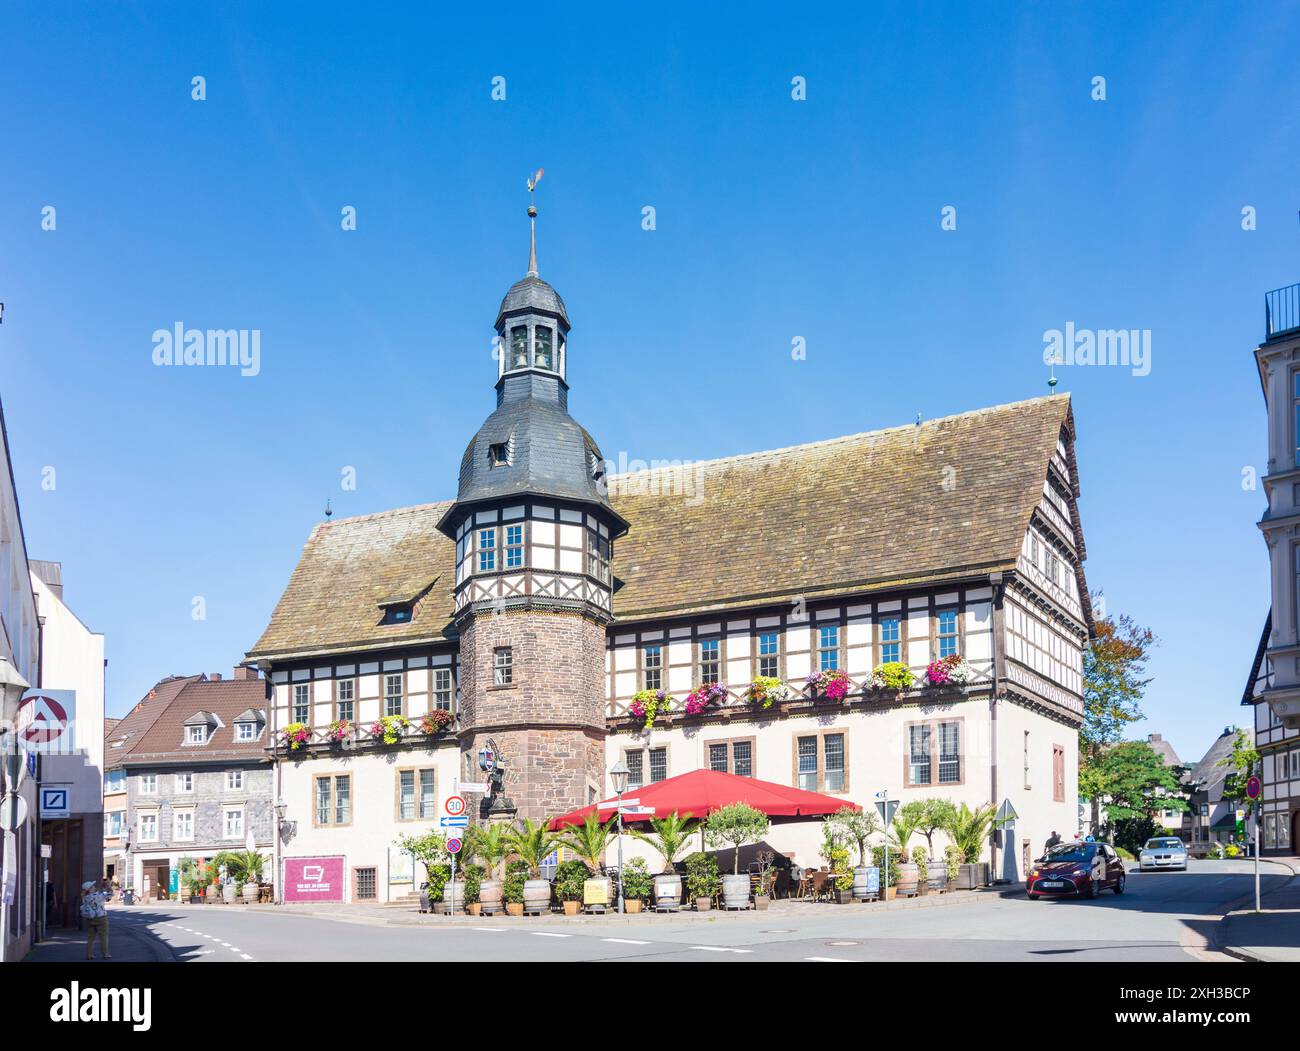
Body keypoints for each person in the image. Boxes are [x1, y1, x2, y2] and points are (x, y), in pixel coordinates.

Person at [79, 880, 111, 960]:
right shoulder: (97, 896)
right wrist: (108, 887)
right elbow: (109, 895)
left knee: (91, 938)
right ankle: (105, 954)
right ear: (90, 889)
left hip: (90, 919)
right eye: (93, 886)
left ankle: (89, 955)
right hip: (101, 918)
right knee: (103, 936)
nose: (94, 887)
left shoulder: (84, 897)